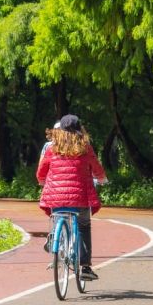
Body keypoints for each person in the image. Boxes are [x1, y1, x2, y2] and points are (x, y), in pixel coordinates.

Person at [36, 114, 107, 281]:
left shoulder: (52, 148)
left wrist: (41, 180)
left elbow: (41, 172)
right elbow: (96, 168)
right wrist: (102, 178)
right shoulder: (85, 147)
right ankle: (85, 267)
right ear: (79, 129)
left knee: (58, 215)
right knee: (83, 226)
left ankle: (55, 237)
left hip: (56, 197)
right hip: (80, 197)